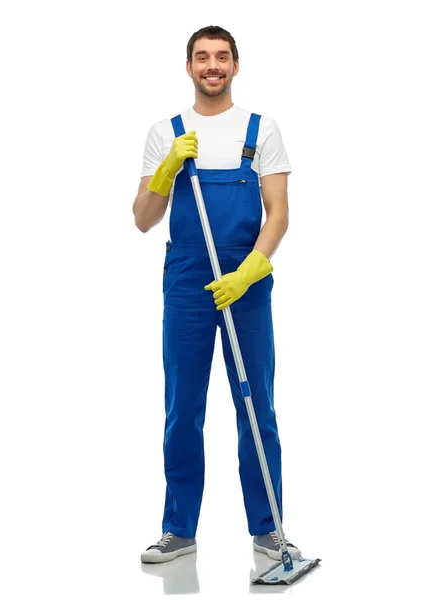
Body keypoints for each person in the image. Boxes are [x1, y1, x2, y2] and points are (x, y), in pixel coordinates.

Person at [133, 25, 300, 564]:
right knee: (183, 408)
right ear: (189, 67)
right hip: (185, 283)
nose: (212, 65)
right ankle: (178, 530)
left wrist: (250, 271)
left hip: (246, 284)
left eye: (221, 57)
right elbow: (142, 219)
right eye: (202, 57)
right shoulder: (167, 132)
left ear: (235, 65)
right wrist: (166, 169)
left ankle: (269, 530)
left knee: (257, 405)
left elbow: (279, 213)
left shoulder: (261, 129)